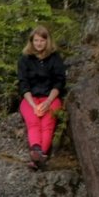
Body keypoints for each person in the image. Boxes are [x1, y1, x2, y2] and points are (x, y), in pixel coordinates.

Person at [17, 25, 66, 171]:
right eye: (36, 40)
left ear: (47, 41)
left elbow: (59, 82)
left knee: (47, 123)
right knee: (33, 122)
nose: (39, 43)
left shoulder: (55, 58)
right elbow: (23, 84)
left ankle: (39, 156)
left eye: (42, 41)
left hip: (50, 97)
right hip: (30, 99)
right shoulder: (24, 59)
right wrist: (32, 104)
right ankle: (37, 152)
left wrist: (48, 101)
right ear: (31, 42)